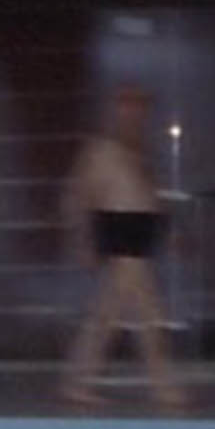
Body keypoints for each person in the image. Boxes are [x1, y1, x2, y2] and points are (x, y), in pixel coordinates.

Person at [59, 84, 187, 409]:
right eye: (128, 105)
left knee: (109, 315)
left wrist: (167, 231)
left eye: (140, 107)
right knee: (147, 313)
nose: (135, 113)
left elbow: (150, 197)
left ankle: (79, 382)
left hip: (138, 234)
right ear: (117, 109)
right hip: (120, 235)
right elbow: (78, 196)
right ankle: (163, 387)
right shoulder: (100, 151)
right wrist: (82, 239)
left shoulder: (139, 152)